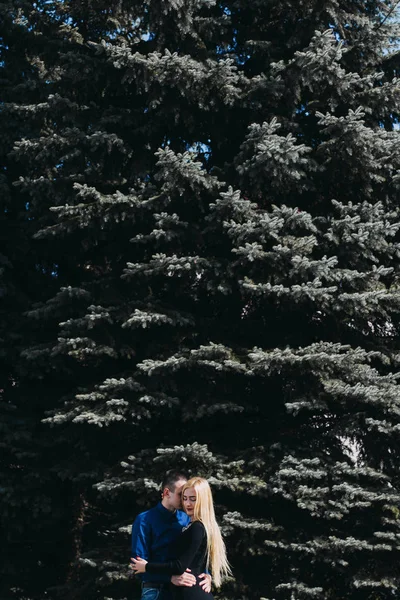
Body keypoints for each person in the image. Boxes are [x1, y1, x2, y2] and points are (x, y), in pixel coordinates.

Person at [131, 477, 231, 599]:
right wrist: (170, 578)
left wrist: (206, 574)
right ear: (167, 493)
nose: (186, 502)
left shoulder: (187, 519)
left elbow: (194, 553)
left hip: (182, 590)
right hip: (156, 589)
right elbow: (138, 564)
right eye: (182, 495)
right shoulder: (145, 520)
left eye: (191, 498)